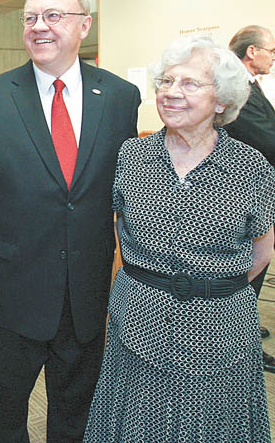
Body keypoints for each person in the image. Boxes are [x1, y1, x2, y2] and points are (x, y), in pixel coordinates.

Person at [0, 0, 140, 442]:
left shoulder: (121, 98)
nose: (39, 27)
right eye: (30, 17)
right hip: (9, 303)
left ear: (85, 25)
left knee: (75, 421)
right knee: (3, 421)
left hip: (85, 300)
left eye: (53, 16)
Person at [85, 34, 274, 442]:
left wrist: (212, 290)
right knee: (136, 426)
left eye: (189, 84)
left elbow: (262, 251)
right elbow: (117, 233)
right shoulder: (131, 157)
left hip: (221, 329)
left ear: (221, 100)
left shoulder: (250, 167)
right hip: (139, 323)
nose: (170, 93)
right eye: (166, 82)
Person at [224, 25, 275, 372]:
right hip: (246, 196)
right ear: (252, 51)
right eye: (271, 49)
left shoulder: (249, 86)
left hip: (258, 193)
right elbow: (266, 139)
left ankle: (242, 330)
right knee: (249, 268)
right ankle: (239, 343)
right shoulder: (237, 87)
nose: (273, 56)